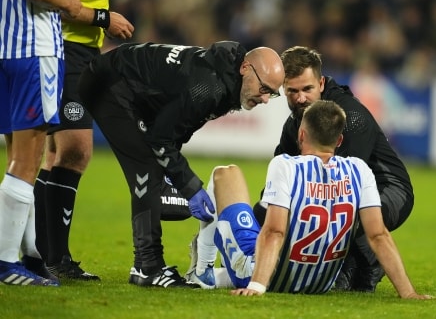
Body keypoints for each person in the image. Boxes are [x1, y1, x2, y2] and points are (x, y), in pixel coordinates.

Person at [77, 41, 284, 288]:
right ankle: (147, 267)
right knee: (146, 168)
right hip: (109, 83)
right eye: (263, 88)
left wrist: (176, 178)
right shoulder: (209, 87)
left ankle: (61, 259)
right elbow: (161, 139)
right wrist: (190, 187)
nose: (265, 99)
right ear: (245, 68)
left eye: (271, 93)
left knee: (155, 174)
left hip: (127, 86)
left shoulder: (224, 81)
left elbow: (177, 129)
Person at [187, 100, 433, 298]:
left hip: (271, 278)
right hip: (320, 284)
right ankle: (217, 275)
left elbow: (274, 232)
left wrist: (258, 287)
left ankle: (203, 272)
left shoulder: (285, 165)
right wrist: (408, 292)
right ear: (339, 141)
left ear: (301, 136)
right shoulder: (359, 169)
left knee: (225, 174)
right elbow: (378, 235)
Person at [258, 46, 417, 292]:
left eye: (307, 89)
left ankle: (366, 262)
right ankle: (347, 267)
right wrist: (262, 214)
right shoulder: (295, 123)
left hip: (390, 190)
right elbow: (278, 187)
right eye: (292, 91)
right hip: (347, 193)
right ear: (283, 89)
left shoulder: (349, 117)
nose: (300, 98)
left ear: (321, 83)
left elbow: (339, 188)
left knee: (328, 210)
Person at [32, 0, 134, 282]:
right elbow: (55, 0)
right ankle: (54, 257)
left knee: (53, 155)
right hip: (64, 49)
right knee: (76, 150)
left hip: (85, 51)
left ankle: (44, 255)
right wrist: (104, 18)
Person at [0, 0, 81, 286]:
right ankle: (5, 263)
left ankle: (30, 255)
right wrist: (67, 3)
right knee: (28, 158)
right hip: (35, 48)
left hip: (6, 47)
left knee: (19, 159)